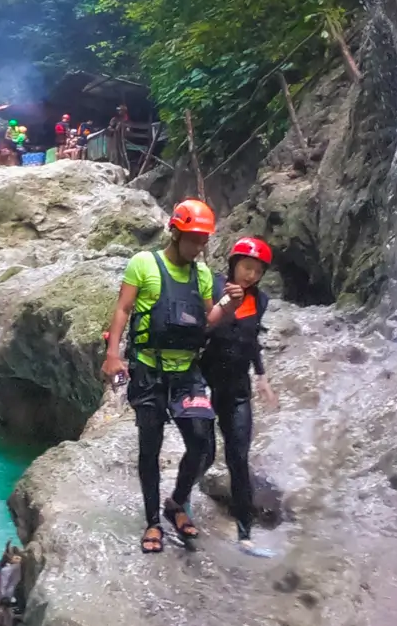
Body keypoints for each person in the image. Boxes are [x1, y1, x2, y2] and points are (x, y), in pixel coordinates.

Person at [102, 199, 241, 554]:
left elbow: (208, 320)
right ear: (176, 232)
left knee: (200, 441)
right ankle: (152, 522)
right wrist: (113, 354)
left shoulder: (203, 275)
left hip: (186, 372)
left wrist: (230, 304)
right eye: (193, 238)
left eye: (203, 240)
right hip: (148, 369)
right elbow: (123, 308)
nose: (198, 246)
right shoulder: (143, 264)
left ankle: (177, 502)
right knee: (150, 447)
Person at [200, 237, 280, 552]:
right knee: (204, 452)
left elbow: (251, 338)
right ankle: (179, 502)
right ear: (234, 265)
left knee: (239, 458)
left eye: (257, 271)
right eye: (247, 267)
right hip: (206, 382)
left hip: (236, 389)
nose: (250, 275)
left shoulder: (260, 301)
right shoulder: (214, 286)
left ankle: (245, 535)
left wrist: (261, 376)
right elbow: (202, 329)